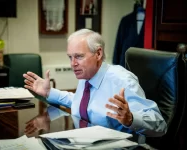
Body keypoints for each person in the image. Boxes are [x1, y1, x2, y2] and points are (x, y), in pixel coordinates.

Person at [23, 28, 167, 137]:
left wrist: (131, 119)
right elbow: (84, 103)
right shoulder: (87, 75)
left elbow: (160, 125)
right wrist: (49, 93)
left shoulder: (122, 80)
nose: (73, 64)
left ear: (98, 53)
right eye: (70, 57)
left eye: (78, 56)